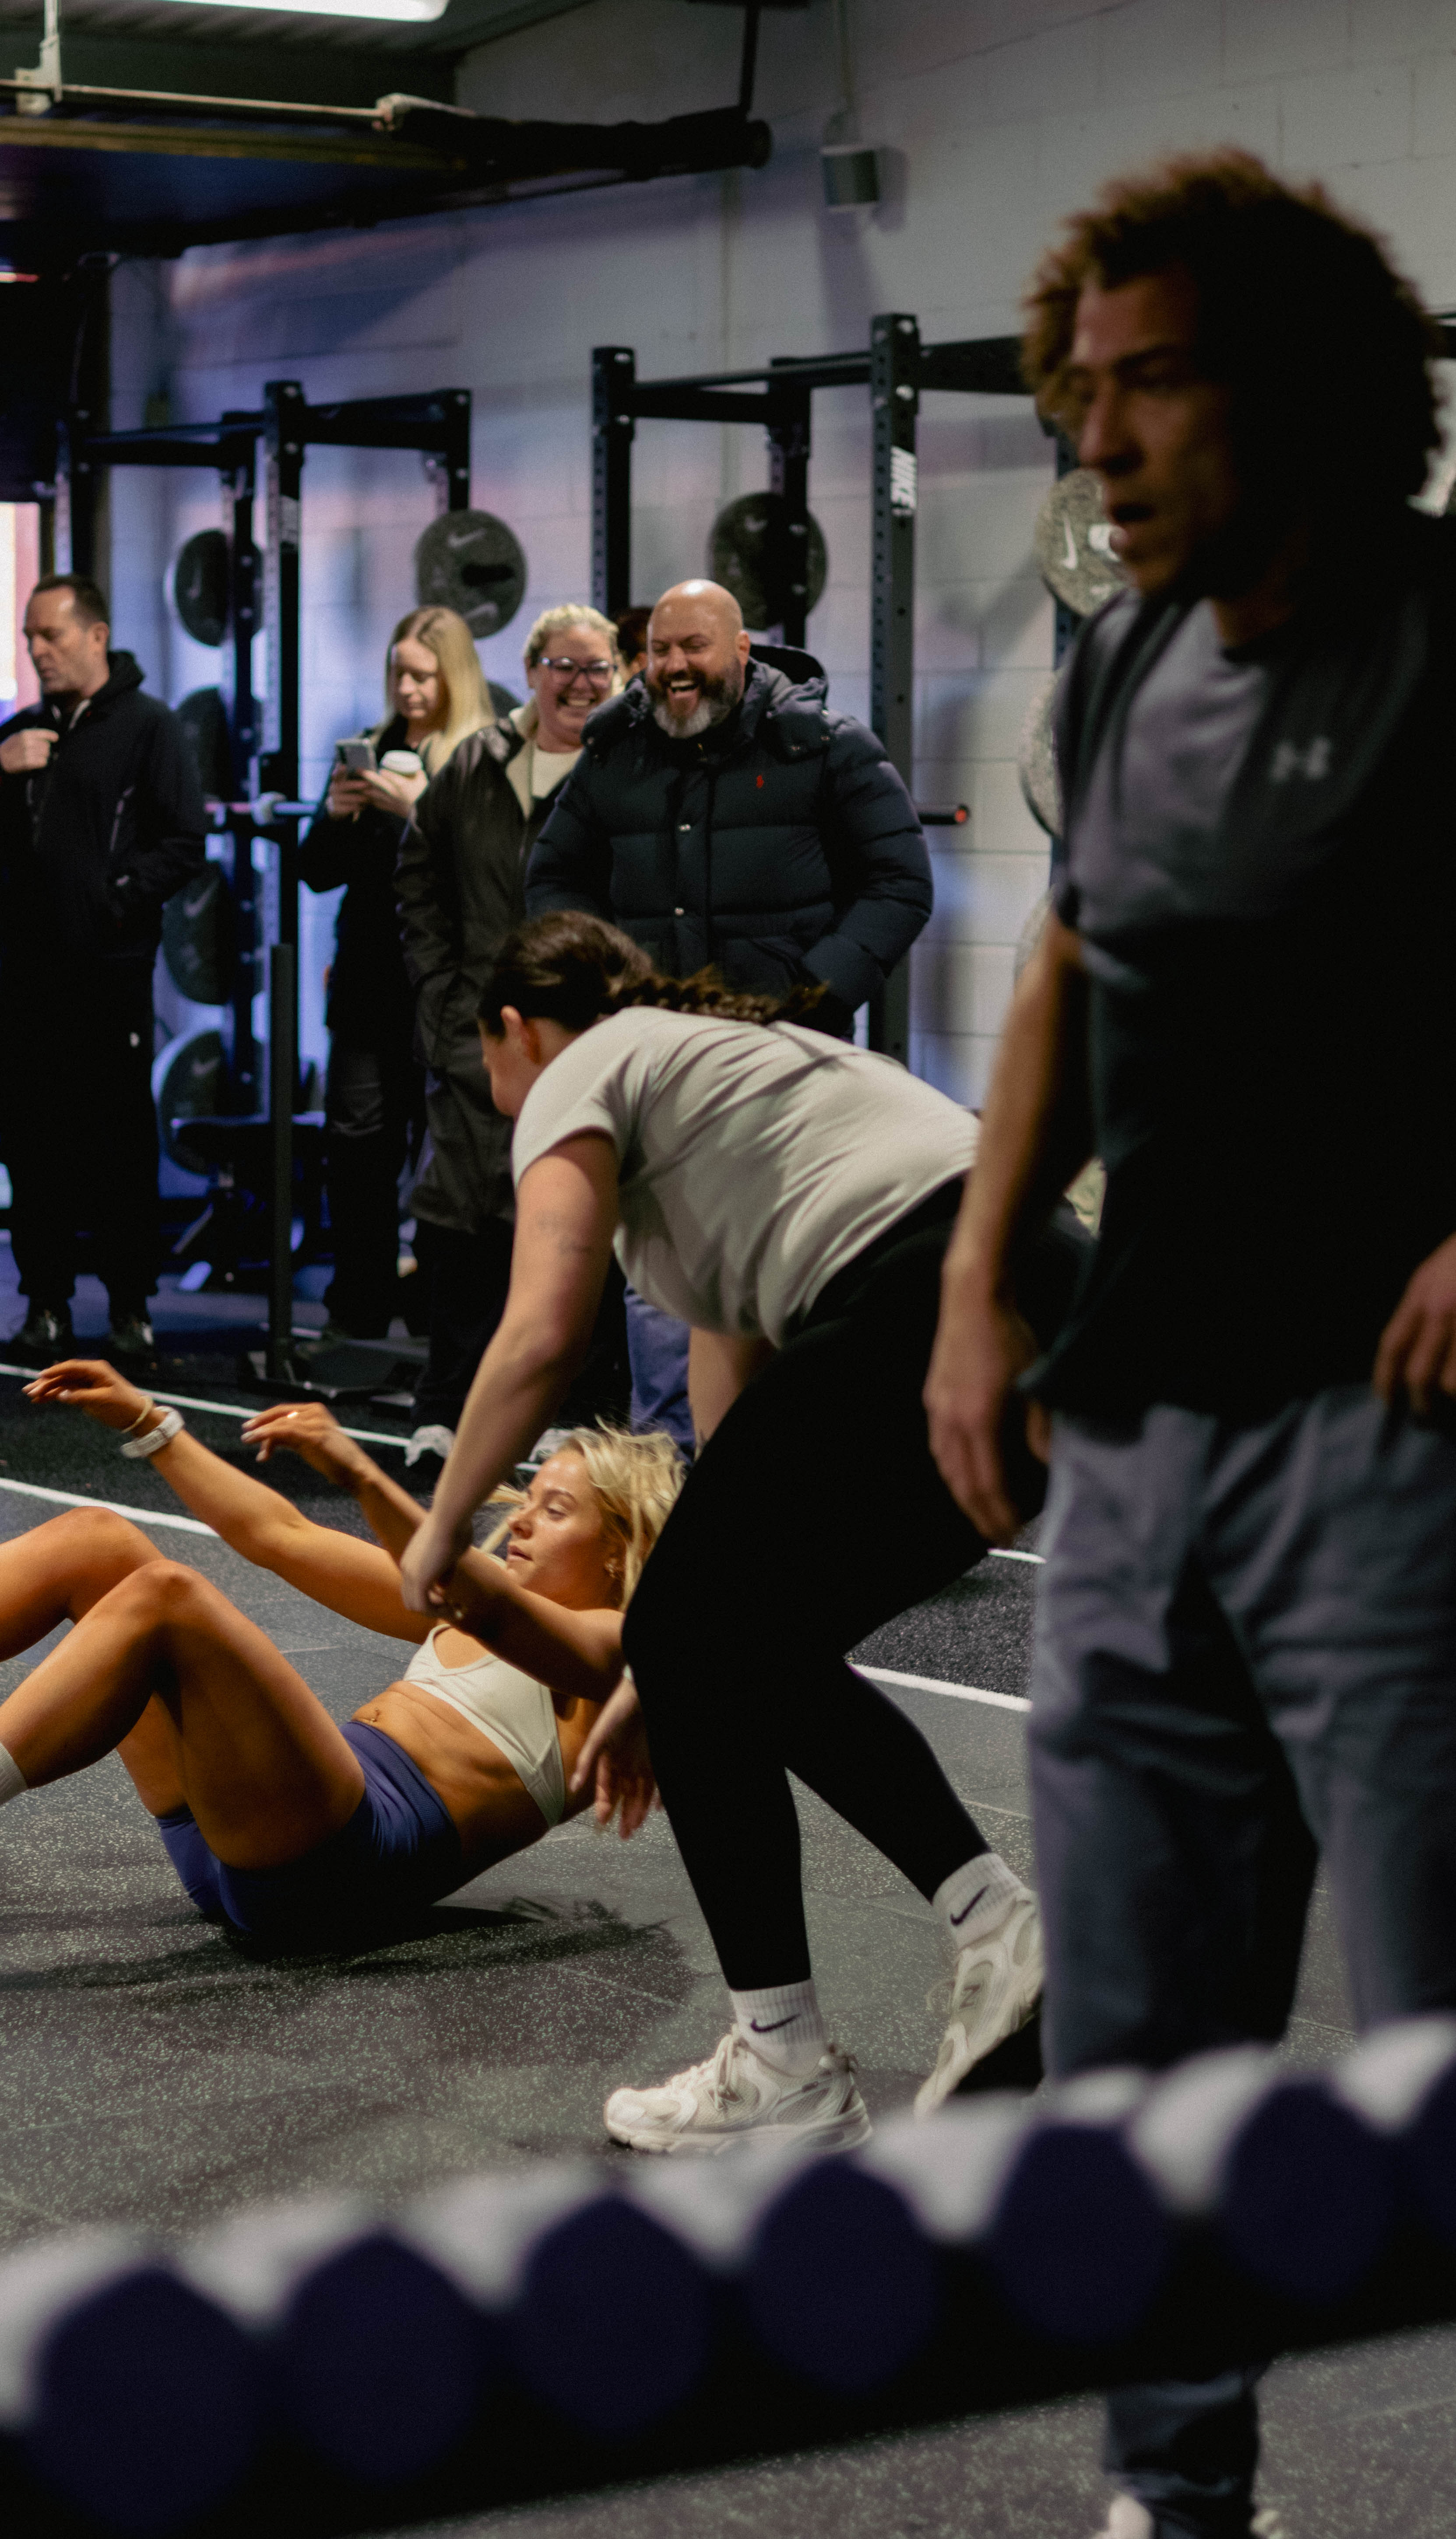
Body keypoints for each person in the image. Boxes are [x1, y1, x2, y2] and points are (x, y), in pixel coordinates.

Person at [924, 153, 1456, 2539]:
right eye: (1080, 391)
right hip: (1137, 1444)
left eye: (1149, 384)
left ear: (1302, 390)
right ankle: (1173, 2493)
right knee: (1140, 2050)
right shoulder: (1125, 654)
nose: (1099, 438)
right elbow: (1068, 957)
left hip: (1387, 1447)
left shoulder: (1436, 637)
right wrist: (974, 1276)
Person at [398, 910, 1079, 2154]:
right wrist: (667, 1663)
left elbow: (541, 1331)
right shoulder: (716, 1102)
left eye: (487, 1051)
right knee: (744, 1644)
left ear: (513, 1028)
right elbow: (737, 1446)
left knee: (710, 1634)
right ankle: (991, 1928)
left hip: (932, 1284)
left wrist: (440, 1529)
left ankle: (784, 2062)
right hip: (1050, 1295)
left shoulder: (582, 1067)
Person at [9, 1355, 682, 1947]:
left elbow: (497, 1612)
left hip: (332, 1870)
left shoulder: (624, 1651)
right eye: (529, 1500)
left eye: (555, 1510)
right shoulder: (476, 1590)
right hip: (251, 1824)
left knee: (168, 1595)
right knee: (98, 1542)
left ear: (620, 1548)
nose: (522, 1521)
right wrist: (149, 1421)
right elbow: (282, 1534)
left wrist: (362, 1473)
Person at [524, 578, 934, 1457]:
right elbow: (553, 877)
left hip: (789, 1067)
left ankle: (787, 1473)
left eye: (694, 647)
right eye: (659, 650)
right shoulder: (614, 754)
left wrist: (811, 995)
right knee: (662, 1275)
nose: (674, 666)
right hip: (658, 1064)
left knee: (791, 1275)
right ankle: (664, 1487)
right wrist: (605, 990)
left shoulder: (825, 746)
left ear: (740, 651)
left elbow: (900, 883)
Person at [395, 605, 622, 1470]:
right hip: (479, 1039)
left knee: (578, 1222)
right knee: (462, 1226)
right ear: (531, 671)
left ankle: (575, 1408)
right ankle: (445, 1409)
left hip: (583, 1044)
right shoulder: (476, 763)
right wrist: (444, 1001)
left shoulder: (626, 766)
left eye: (597, 668)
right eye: (563, 665)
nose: (580, 683)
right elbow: (419, 878)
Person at [0, 575, 207, 1367]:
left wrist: (112, 899)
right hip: (28, 979)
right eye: (29, 637)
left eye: (50, 634)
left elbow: (183, 842)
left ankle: (130, 1308)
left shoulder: (149, 726)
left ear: (96, 635)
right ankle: (46, 1305)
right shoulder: (20, 734)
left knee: (118, 1140)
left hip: (108, 974)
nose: (37, 650)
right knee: (34, 1144)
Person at [299, 607, 492, 1349]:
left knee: (441, 1151)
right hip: (367, 979)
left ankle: (435, 1305)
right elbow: (318, 872)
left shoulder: (480, 754)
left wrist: (420, 811)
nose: (407, 689)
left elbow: (482, 874)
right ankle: (359, 1301)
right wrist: (335, 813)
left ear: (454, 676)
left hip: (445, 985)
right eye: (397, 673)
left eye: (422, 675)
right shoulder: (373, 747)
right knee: (356, 1148)